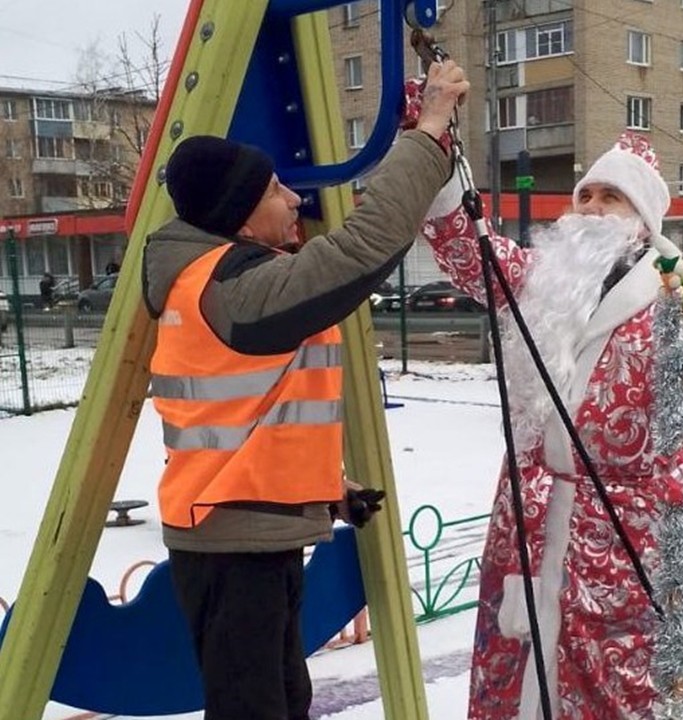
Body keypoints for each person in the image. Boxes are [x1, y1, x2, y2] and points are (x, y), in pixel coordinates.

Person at [141, 58, 469, 720]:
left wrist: (328, 488)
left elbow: (255, 410)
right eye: (273, 191)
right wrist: (430, 130)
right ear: (238, 214)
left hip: (247, 533)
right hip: (232, 548)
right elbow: (362, 249)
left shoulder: (231, 283)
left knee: (285, 700)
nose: (295, 199)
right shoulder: (234, 288)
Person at [416, 129, 683, 718]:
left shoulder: (679, 296)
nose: (591, 208)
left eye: (610, 197)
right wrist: (437, 152)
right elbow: (470, 251)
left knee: (621, 682)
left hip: (621, 531)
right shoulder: (544, 278)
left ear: (641, 217)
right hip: (528, 518)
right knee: (517, 671)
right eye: (585, 195)